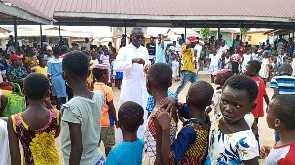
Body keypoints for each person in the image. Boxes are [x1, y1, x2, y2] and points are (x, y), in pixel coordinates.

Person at [61, 52, 105, 165]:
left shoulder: (71, 107)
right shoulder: (99, 96)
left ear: (64, 75)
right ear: (89, 73)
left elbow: (76, 149)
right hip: (97, 158)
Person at [7, 73, 61, 165]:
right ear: (48, 93)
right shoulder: (55, 114)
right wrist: (49, 105)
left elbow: (15, 156)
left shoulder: (14, 121)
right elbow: (55, 135)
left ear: (24, 92)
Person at [205, 75, 259, 165]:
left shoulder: (246, 142)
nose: (228, 109)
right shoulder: (219, 118)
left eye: (237, 105)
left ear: (251, 107)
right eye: (224, 102)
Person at [156, 80, 214, 165]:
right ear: (209, 102)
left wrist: (166, 128)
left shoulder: (189, 132)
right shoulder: (205, 118)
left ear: (187, 100)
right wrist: (174, 100)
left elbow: (168, 161)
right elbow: (183, 108)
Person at [113, 27, 149, 142]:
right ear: (131, 37)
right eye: (137, 36)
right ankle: (126, 141)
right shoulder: (124, 50)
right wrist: (132, 61)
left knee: (142, 115)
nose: (139, 39)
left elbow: (146, 66)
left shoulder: (145, 50)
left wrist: (148, 67)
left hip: (143, 87)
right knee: (129, 115)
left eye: (141, 37)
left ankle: (141, 141)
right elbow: (116, 66)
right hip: (130, 89)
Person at [142, 63, 178, 165]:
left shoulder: (158, 115)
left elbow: (160, 158)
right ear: (170, 83)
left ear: (148, 84)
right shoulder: (173, 108)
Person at [260, 95, 295, 165]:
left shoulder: (286, 159)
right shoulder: (286, 145)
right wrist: (273, 152)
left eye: (268, 111)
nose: (266, 114)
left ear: (277, 122)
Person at [92, 64, 117, 157]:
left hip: (94, 123)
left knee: (94, 147)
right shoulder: (107, 89)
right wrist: (117, 121)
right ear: (103, 75)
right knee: (109, 147)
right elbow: (112, 108)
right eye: (108, 74)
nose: (109, 76)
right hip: (107, 123)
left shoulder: (91, 88)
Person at [244, 60, 270, 152]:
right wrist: (268, 106)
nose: (244, 70)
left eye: (247, 69)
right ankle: (257, 150)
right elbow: (265, 95)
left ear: (253, 71)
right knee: (254, 129)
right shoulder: (261, 81)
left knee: (246, 130)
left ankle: (248, 150)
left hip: (246, 111)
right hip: (256, 112)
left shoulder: (246, 81)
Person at [269, 64, 295, 142]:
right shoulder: (294, 79)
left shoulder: (275, 79)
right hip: (292, 106)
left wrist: (270, 105)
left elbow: (276, 94)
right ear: (290, 70)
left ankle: (279, 143)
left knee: (278, 126)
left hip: (279, 106)